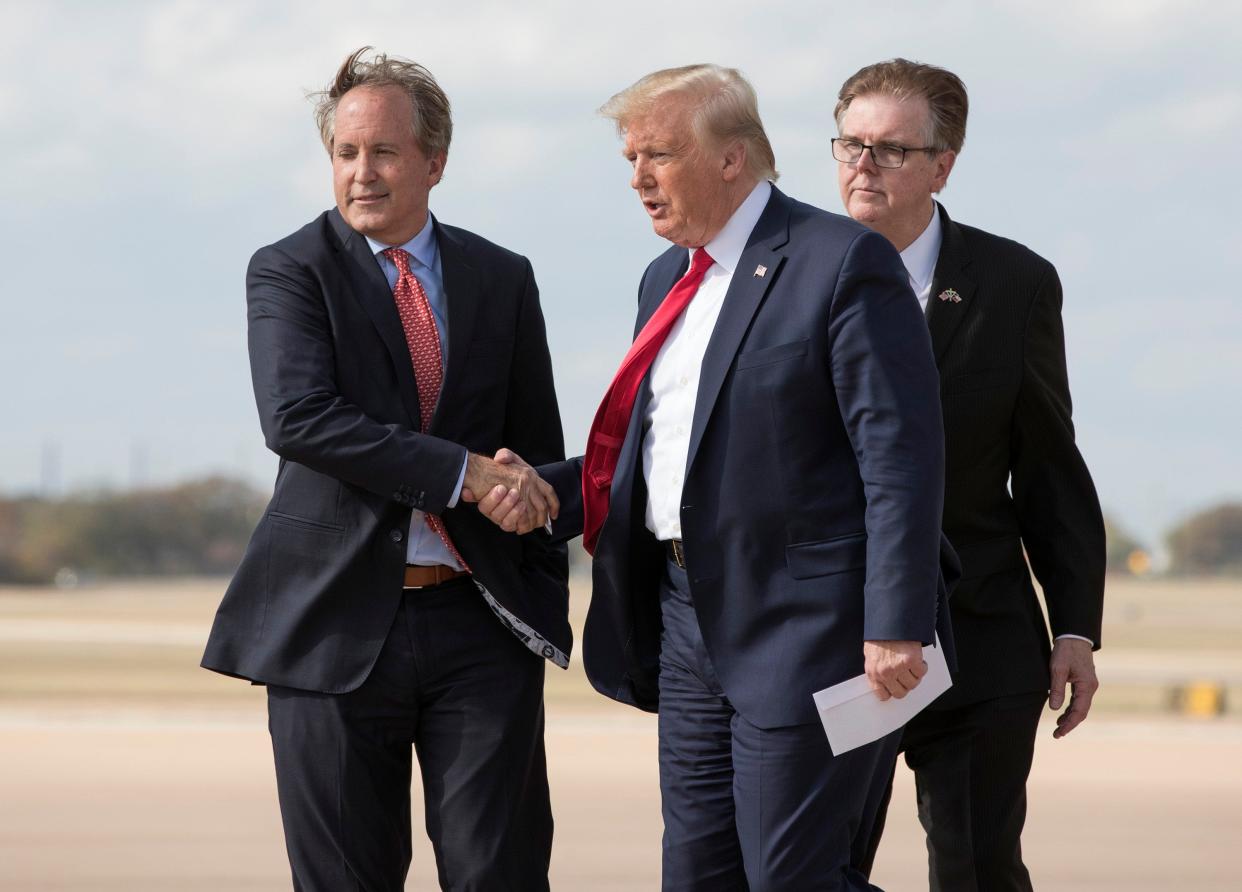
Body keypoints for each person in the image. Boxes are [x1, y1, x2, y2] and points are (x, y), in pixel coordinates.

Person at [477, 64, 955, 891]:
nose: (637, 179)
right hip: (686, 626)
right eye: (630, 158)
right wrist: (549, 491)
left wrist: (896, 621)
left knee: (791, 880)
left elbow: (900, 461)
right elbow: (660, 457)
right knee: (696, 878)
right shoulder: (667, 279)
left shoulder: (842, 261)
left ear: (733, 159)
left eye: (657, 155)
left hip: (813, 631)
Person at [201, 47, 568, 892]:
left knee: (502, 875)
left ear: (435, 161)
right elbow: (299, 420)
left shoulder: (501, 277)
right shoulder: (290, 270)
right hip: (332, 628)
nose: (361, 173)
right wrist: (466, 475)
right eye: (346, 153)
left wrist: (529, 511)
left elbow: (533, 446)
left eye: (385, 152)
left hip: (480, 625)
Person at [833, 59, 1106, 890]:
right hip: (835, 635)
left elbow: (1049, 464)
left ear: (942, 165)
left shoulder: (1013, 283)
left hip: (981, 631)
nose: (862, 165)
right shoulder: (787, 274)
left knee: (980, 867)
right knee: (816, 867)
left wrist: (1075, 626)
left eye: (889, 149)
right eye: (849, 144)